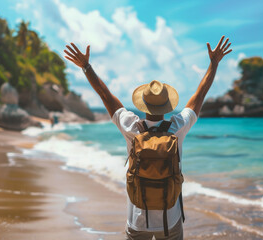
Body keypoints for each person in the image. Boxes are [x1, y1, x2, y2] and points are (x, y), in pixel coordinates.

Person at [64, 36, 232, 240]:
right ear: (167, 105)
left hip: (137, 219)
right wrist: (213, 64)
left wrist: (86, 66)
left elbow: (104, 94)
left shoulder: (131, 126)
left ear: (143, 103)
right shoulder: (178, 127)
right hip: (170, 220)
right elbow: (200, 93)